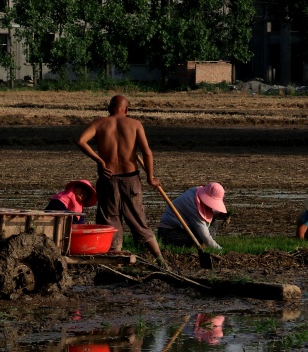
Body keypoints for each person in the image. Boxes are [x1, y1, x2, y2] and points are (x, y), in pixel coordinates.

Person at [76, 95, 166, 264]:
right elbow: (147, 152)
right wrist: (150, 178)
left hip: (107, 178)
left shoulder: (99, 123)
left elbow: (81, 141)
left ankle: (114, 262)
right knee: (139, 219)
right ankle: (160, 260)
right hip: (130, 179)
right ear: (126, 109)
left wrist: (100, 161)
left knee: (110, 221)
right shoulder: (135, 124)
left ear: (109, 108)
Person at [157, 182, 226, 250]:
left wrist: (219, 214)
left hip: (184, 229)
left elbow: (208, 212)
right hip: (169, 232)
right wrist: (219, 249)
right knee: (200, 237)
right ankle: (199, 246)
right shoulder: (192, 204)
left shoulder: (196, 191)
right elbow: (203, 232)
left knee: (213, 224)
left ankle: (202, 245)